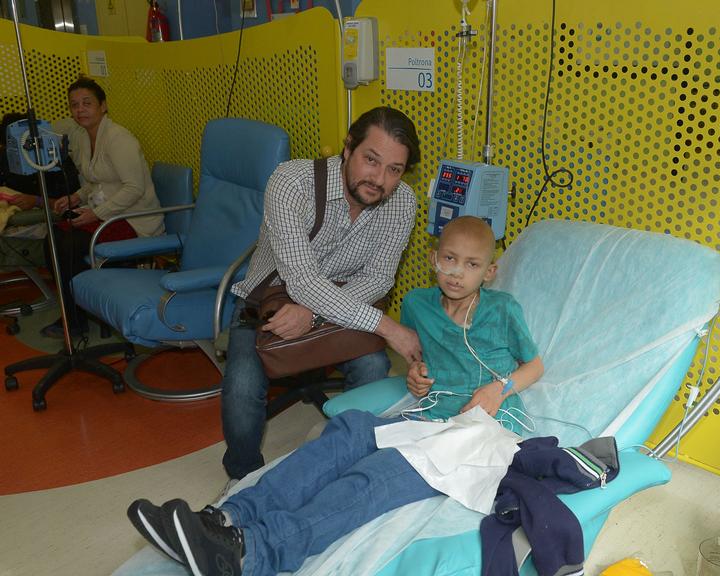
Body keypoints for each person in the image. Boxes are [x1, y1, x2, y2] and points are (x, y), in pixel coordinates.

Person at [127, 216, 544, 576]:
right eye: (450, 259)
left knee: (377, 475)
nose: (457, 272)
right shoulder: (419, 306)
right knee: (349, 430)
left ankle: (251, 552)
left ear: (489, 272)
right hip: (432, 418)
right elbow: (428, 361)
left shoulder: (503, 310)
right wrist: (418, 376)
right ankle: (222, 519)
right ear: (434, 258)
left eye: (472, 265)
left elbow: (535, 366)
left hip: (483, 433)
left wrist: (498, 389)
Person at [221, 106, 424, 482]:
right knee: (241, 388)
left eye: (394, 170)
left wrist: (312, 314)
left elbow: (379, 279)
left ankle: (342, 462)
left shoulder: (402, 202)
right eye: (371, 160)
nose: (379, 179)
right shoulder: (291, 182)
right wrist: (389, 328)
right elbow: (301, 281)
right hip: (265, 303)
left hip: (342, 305)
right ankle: (242, 477)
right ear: (348, 148)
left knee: (374, 368)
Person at [40, 77, 164, 338]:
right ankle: (75, 313)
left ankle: (77, 319)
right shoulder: (84, 139)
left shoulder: (119, 139)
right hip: (108, 213)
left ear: (103, 106)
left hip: (134, 219)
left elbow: (134, 188)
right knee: (52, 239)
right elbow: (92, 182)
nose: (80, 110)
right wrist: (74, 198)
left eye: (87, 103)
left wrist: (94, 214)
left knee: (69, 244)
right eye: (74, 105)